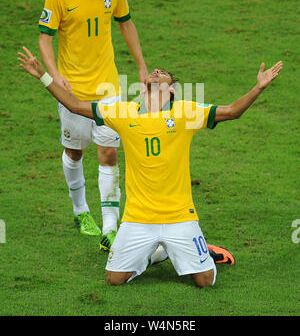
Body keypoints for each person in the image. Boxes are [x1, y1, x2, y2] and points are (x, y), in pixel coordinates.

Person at [18, 47, 282, 287]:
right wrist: (42, 75)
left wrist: (258, 87)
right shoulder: (123, 113)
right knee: (114, 280)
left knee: (205, 281)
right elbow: (73, 105)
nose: (156, 71)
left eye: (163, 74)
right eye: (154, 72)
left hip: (180, 216)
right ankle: (157, 254)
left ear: (171, 92)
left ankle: (199, 250)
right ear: (144, 87)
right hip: (137, 218)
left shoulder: (185, 113)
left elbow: (232, 111)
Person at [38, 0, 148, 249]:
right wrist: (55, 74)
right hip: (73, 92)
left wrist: (141, 65)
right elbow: (45, 39)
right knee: (75, 152)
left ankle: (110, 229)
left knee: (110, 154)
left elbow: (126, 24)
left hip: (108, 89)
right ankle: (80, 211)